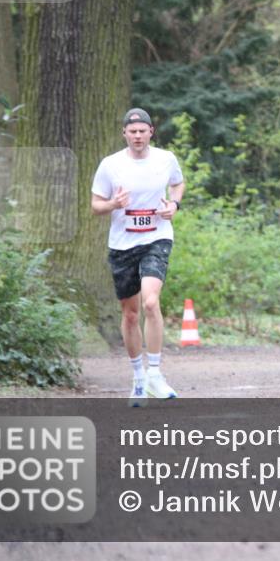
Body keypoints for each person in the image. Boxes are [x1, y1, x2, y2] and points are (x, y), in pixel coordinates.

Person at [91, 108, 185, 406]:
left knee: (150, 302)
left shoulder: (165, 159)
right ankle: (139, 379)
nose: (137, 136)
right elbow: (95, 205)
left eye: (142, 131)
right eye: (132, 132)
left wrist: (174, 205)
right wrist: (113, 204)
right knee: (130, 314)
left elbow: (178, 184)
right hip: (122, 244)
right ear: (124, 134)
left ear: (151, 132)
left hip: (157, 237)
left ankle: (155, 372)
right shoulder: (110, 165)